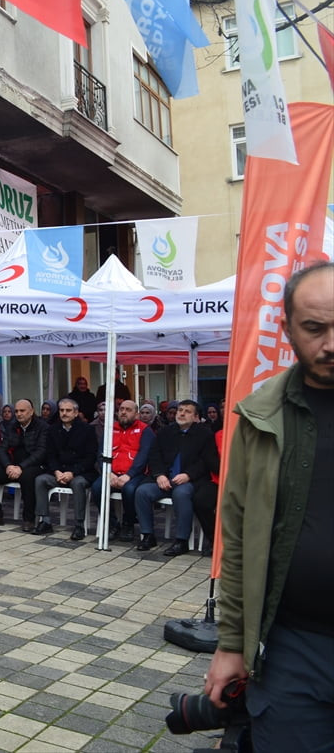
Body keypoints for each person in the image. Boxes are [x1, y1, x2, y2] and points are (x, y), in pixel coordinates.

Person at [204, 262, 333, 750]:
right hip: (293, 650)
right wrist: (231, 644)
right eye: (315, 328)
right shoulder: (261, 418)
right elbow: (237, 541)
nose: (331, 344)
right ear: (287, 329)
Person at [134, 399, 218, 555]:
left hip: (190, 480)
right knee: (142, 491)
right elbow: (155, 455)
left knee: (181, 494)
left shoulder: (204, 434)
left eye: (187, 411)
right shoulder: (166, 431)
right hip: (165, 479)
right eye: (180, 410)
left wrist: (188, 475)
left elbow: (206, 461)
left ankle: (181, 540)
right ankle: (147, 535)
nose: (182, 413)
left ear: (195, 416)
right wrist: (159, 475)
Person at [32, 397, 98, 540]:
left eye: (68, 410)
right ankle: (45, 521)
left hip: (81, 472)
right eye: (62, 410)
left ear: (76, 413)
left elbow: (90, 457)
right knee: (40, 480)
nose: (64, 413)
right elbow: (50, 455)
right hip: (59, 471)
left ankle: (79, 525)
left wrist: (72, 472)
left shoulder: (87, 430)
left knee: (78, 483)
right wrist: (56, 471)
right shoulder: (53, 429)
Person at [90, 399, 154, 543]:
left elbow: (144, 456)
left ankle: (128, 523)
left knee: (130, 490)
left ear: (136, 414)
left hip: (135, 474)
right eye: (121, 409)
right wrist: (109, 473)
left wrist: (128, 475)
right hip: (111, 472)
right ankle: (113, 523)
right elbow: (101, 454)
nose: (124, 412)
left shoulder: (145, 430)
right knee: (97, 488)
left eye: (128, 410)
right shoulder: (110, 429)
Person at [0, 398, 49, 532]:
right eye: (16, 411)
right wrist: (8, 465)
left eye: (22, 411)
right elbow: (2, 449)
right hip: (13, 466)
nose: (19, 414)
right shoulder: (12, 426)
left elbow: (41, 452)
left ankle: (28, 519)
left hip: (35, 466)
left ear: (31, 411)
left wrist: (21, 467)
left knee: (27, 478)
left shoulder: (42, 427)